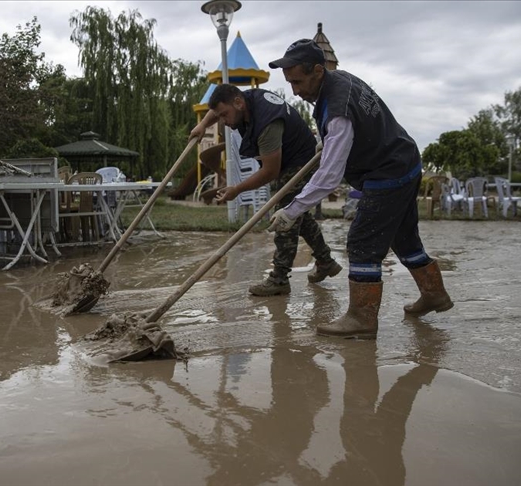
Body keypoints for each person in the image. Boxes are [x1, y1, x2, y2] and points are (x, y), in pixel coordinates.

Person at [267, 39, 453, 338]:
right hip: (404, 161)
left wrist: (292, 210)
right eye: (290, 83)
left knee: (362, 242)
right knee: (403, 238)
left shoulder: (338, 108)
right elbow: (346, 134)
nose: (295, 91)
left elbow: (329, 177)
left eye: (298, 81)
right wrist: (327, 140)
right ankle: (435, 295)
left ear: (318, 70)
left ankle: (361, 318)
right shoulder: (340, 80)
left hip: (387, 172)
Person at [189, 83, 341, 296]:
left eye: (225, 116)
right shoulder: (242, 100)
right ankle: (326, 261)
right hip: (288, 157)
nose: (223, 122)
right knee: (298, 214)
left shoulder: (267, 123)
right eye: (219, 116)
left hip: (300, 161)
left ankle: (279, 279)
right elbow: (217, 110)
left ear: (239, 103)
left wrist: (237, 189)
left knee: (285, 215)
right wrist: (203, 125)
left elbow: (270, 172)